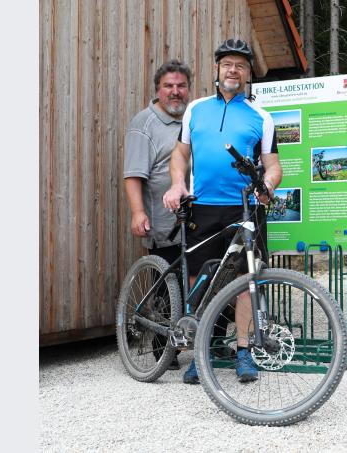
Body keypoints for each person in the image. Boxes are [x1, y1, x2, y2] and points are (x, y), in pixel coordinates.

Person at [163, 38, 282, 383]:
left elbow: (273, 166)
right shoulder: (196, 109)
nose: (234, 70)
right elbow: (180, 154)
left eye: (241, 65)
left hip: (244, 208)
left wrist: (269, 186)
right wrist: (177, 184)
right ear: (217, 69)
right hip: (202, 207)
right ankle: (202, 351)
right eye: (228, 64)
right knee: (198, 279)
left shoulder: (261, 117)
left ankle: (243, 351)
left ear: (248, 74)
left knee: (246, 280)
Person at [123, 59, 193, 371]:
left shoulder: (193, 118)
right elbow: (133, 175)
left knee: (203, 280)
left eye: (181, 86)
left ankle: (210, 343)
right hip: (163, 223)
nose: (175, 92)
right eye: (169, 86)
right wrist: (137, 212)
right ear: (158, 90)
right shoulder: (145, 123)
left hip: (195, 218)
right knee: (167, 285)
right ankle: (162, 349)